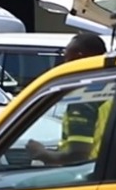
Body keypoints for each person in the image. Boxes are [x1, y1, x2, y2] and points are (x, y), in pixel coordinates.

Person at [27, 33, 110, 166]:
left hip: (86, 174)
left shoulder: (85, 99)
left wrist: (42, 153)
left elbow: (77, 156)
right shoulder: (114, 87)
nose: (65, 64)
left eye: (67, 58)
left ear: (79, 56)